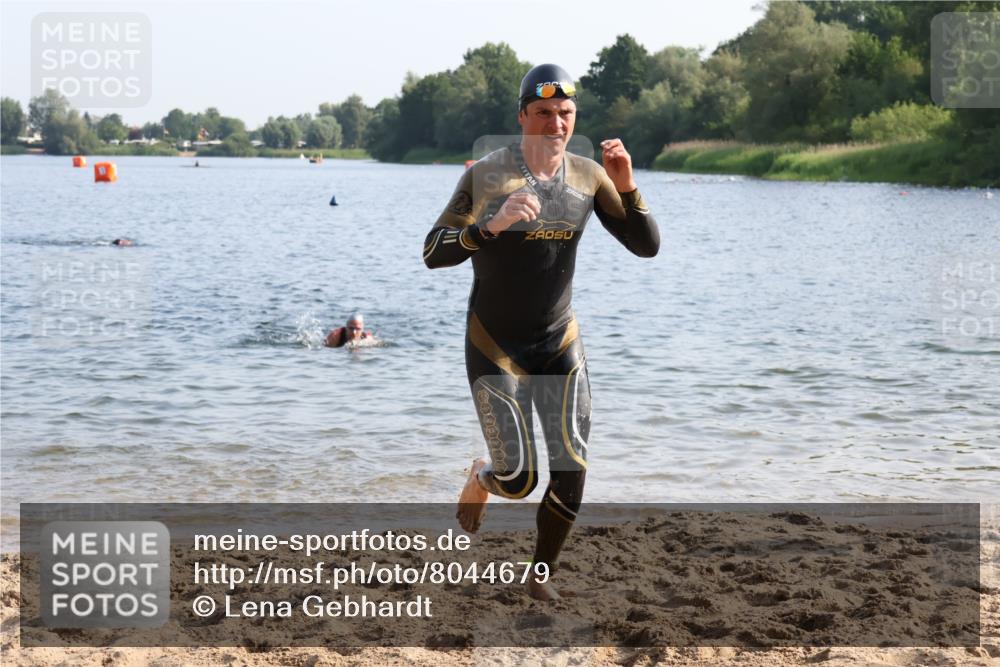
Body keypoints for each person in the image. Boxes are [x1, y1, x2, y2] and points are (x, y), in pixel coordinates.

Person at [423, 63, 659, 600]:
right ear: (523, 117)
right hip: (495, 344)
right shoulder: (487, 175)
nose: (557, 124)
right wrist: (490, 225)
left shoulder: (588, 176)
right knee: (519, 479)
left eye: (566, 114)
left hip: (559, 340)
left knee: (572, 467)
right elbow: (434, 253)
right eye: (545, 113)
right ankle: (484, 476)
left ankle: (539, 577)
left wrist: (628, 185)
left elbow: (645, 246)